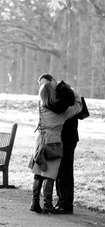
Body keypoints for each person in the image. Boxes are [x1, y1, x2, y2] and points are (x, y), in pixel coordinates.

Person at [29, 82, 82, 214]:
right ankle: (47, 204)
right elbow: (78, 106)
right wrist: (72, 90)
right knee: (50, 174)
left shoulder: (40, 106)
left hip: (40, 140)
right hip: (53, 143)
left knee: (38, 172)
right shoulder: (61, 114)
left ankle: (34, 202)